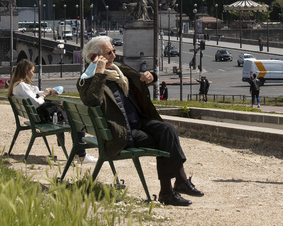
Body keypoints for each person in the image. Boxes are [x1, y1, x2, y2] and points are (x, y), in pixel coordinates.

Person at [77, 36, 204, 206]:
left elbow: (140, 79)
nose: (114, 55)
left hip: (139, 122)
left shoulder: (118, 70)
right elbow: (92, 100)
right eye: (109, 53)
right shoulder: (88, 78)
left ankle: (178, 184)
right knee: (164, 141)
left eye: (114, 51)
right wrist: (99, 73)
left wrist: (151, 76)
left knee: (167, 129)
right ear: (95, 57)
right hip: (121, 133)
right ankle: (169, 191)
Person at [7, 59, 97, 164]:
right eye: (32, 71)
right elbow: (37, 102)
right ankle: (81, 155)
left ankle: (79, 153)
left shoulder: (17, 85)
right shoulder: (22, 86)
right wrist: (44, 94)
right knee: (77, 120)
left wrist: (48, 92)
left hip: (34, 116)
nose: (33, 74)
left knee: (73, 117)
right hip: (41, 118)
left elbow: (33, 94)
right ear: (26, 71)